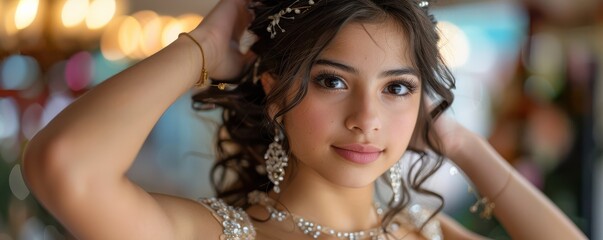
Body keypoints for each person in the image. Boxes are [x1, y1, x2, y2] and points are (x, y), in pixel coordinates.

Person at [22, 0, 586, 239]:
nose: (368, 119)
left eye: (396, 88)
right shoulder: (219, 235)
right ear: (273, 92)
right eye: (333, 81)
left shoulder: (424, 231)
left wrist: (457, 140)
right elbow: (65, 165)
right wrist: (203, 46)